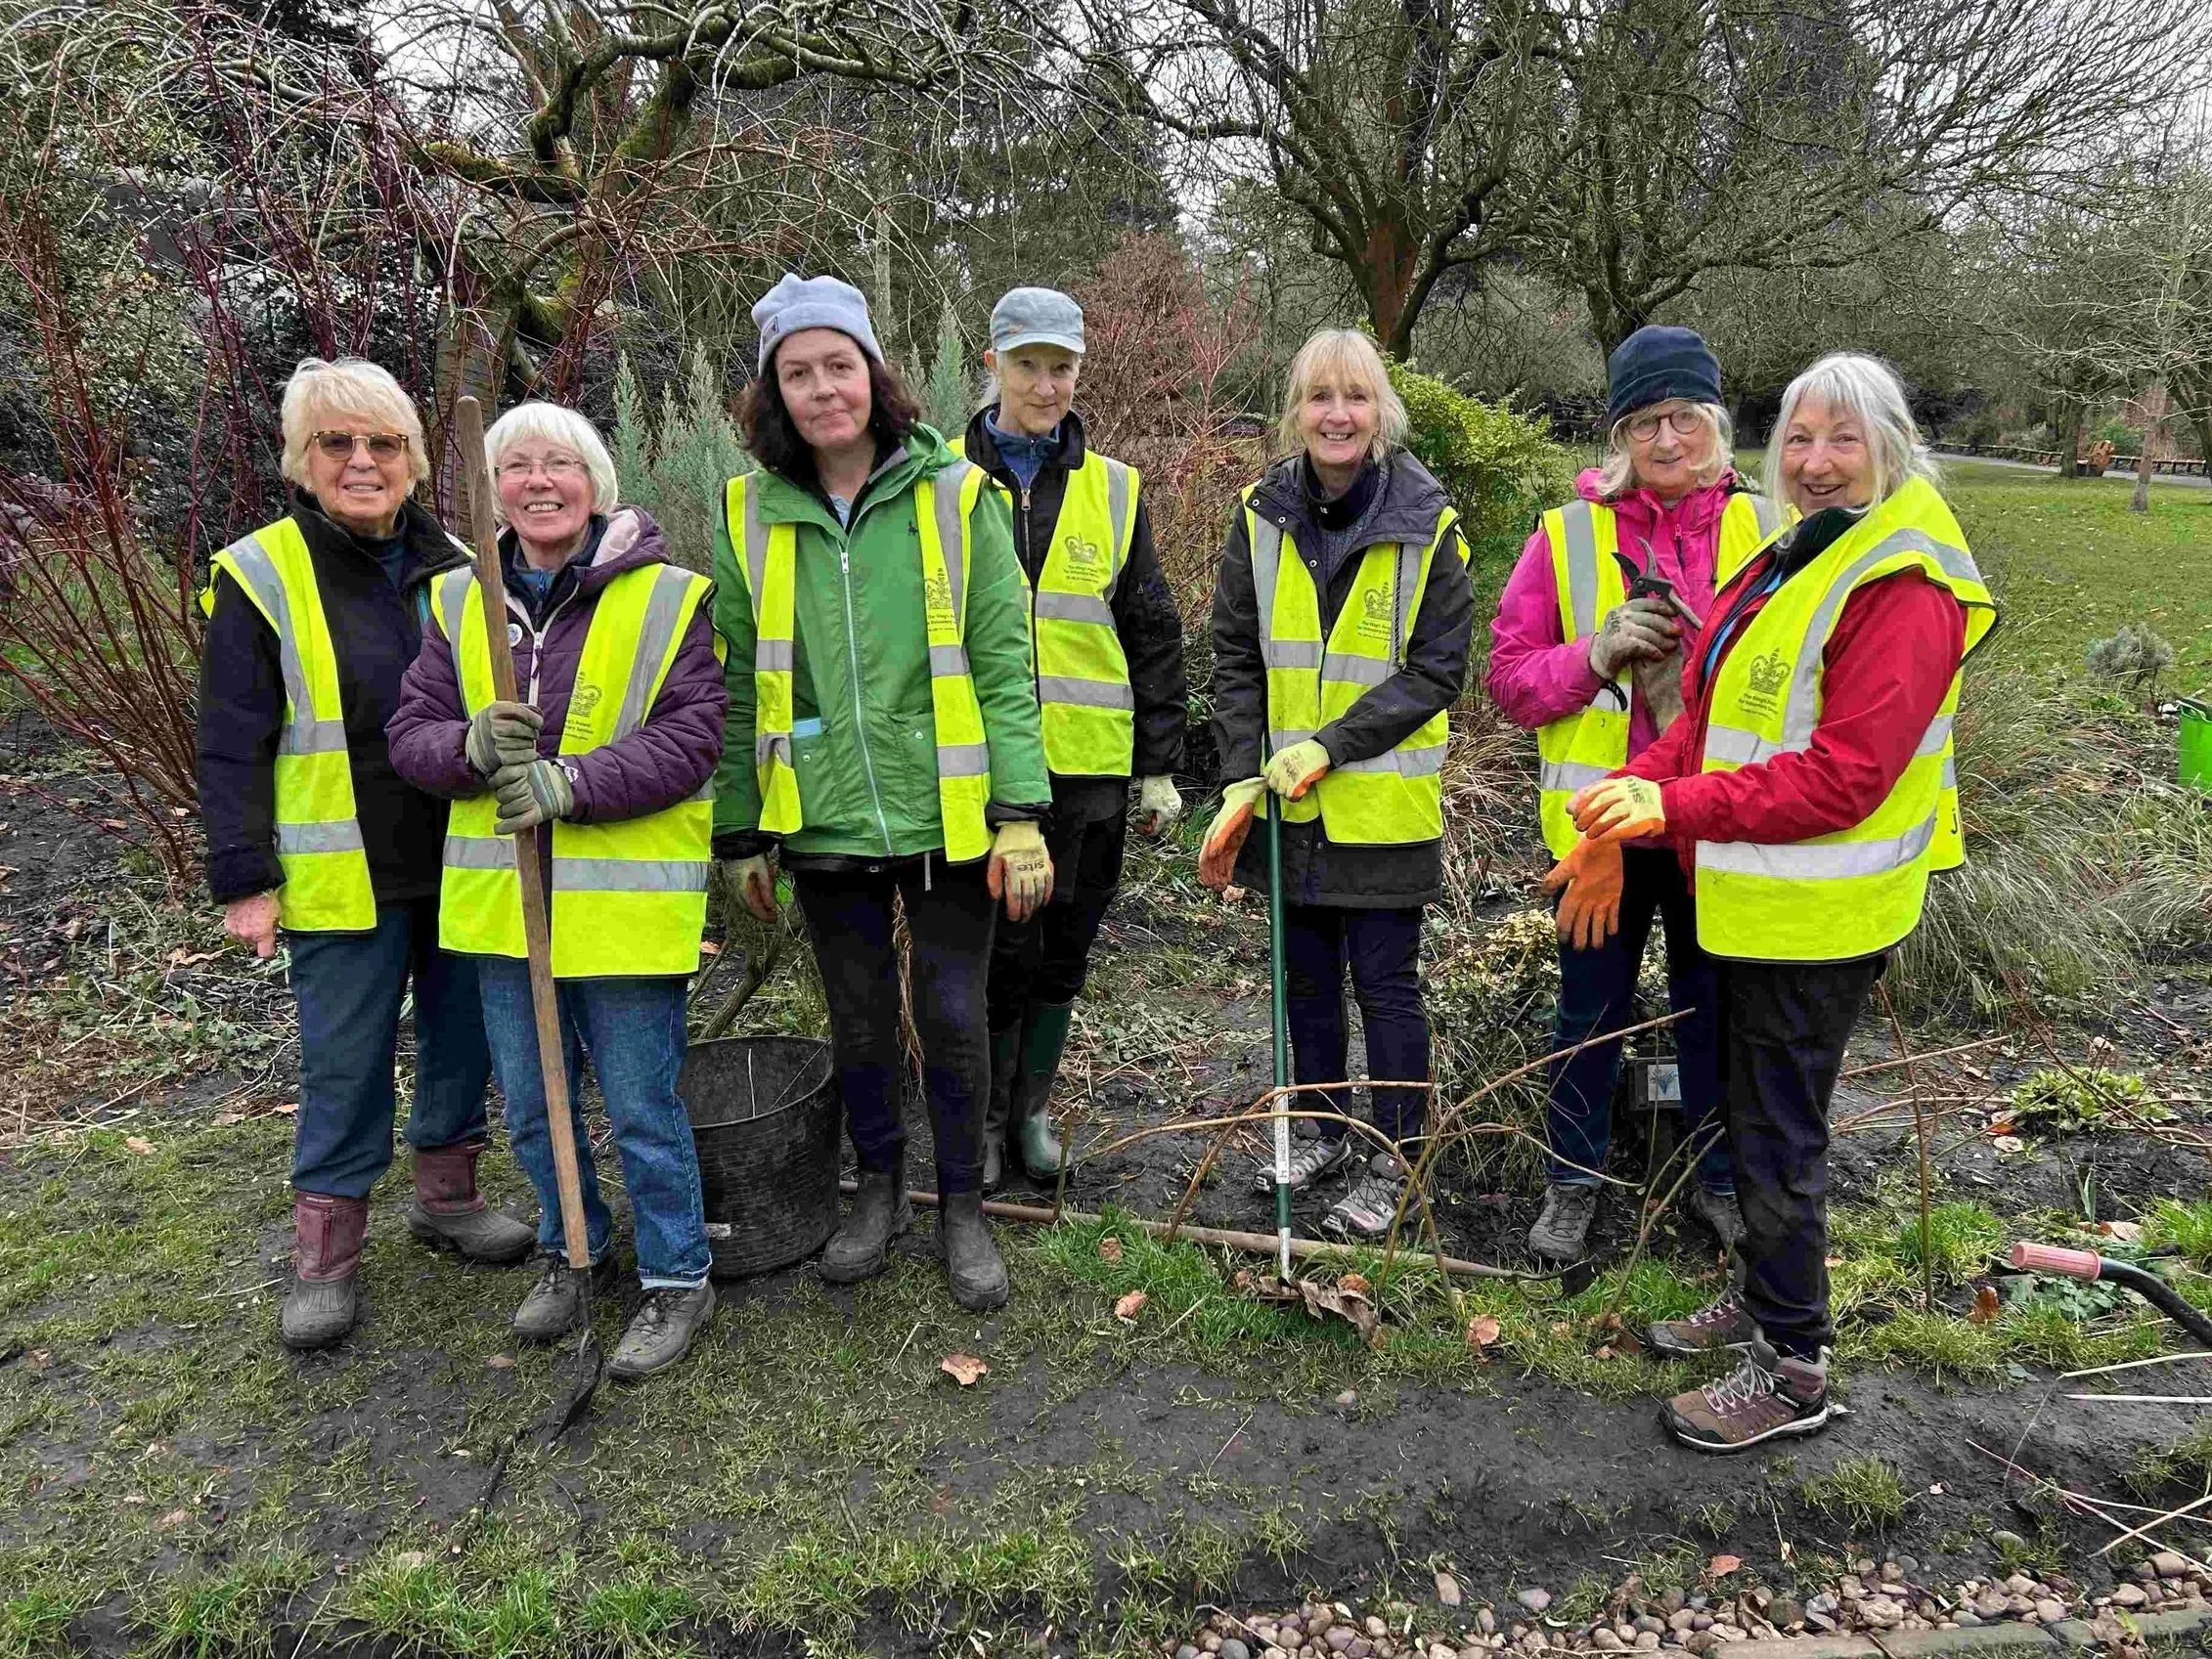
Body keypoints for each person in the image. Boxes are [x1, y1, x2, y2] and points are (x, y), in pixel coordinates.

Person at [1551, 352, 1996, 1450]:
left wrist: (1673, 810)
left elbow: (1849, 773)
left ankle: (1794, 1367)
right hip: (1762, 903)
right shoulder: (1804, 553)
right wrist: (1645, 778)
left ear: (1892, 445)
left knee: (1780, 1135)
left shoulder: (1904, 582)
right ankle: (1762, 1300)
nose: (1817, 461)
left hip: (1823, 916)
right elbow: (1716, 711)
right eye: (1798, 439)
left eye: (1844, 438)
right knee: (1750, 1119)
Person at [710, 274, 1052, 1312]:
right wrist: (740, 831)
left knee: (950, 1013)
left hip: (945, 813)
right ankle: (874, 1191)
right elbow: (737, 680)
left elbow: (1004, 660)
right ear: (774, 393)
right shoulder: (749, 512)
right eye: (799, 373)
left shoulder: (957, 497)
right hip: (819, 812)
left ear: (874, 372)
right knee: (856, 1015)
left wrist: (1022, 811)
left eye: (839, 365)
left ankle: (959, 1205)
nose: (824, 389)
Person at [197, 357, 534, 1352]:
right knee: (345, 1058)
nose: (361, 460)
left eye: (383, 443)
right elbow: (229, 736)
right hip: (342, 864)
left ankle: (448, 1192)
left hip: (463, 849)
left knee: (461, 1031)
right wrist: (245, 875)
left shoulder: (467, 562)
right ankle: (326, 1253)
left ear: (415, 460)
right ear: (302, 460)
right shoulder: (260, 573)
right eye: (336, 443)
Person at [387, 401, 725, 1381]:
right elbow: (411, 735)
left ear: (596, 482)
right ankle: (572, 1247)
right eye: (517, 466)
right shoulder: (458, 602)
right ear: (495, 489)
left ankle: (675, 1275)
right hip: (505, 912)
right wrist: (465, 746)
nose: (539, 481)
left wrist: (566, 782)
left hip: (622, 912)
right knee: (535, 1105)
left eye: (560, 464)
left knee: (639, 1103)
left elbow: (692, 735)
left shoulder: (667, 596)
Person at [1488, 325, 1791, 1266]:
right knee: (1588, 1014)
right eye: (1642, 423)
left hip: (1718, 827)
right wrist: (1595, 651)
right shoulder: (1566, 535)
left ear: (1716, 424)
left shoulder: (1771, 531)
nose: (1664, 441)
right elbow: (1508, 680)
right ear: (1616, 438)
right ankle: (1570, 1186)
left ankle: (1715, 1179)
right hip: (1599, 836)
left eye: (1683, 418)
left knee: (1719, 1015)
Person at [1199, 327, 1474, 1240]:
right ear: (1297, 410)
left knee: (1387, 992)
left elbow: (1437, 670)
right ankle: (1320, 1128)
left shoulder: (1428, 519)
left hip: (1383, 811)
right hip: (1288, 809)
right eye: (1320, 396)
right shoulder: (1259, 511)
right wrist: (1244, 775)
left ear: (1381, 410)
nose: (1338, 414)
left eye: (1355, 396)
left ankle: (1397, 1155)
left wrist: (1330, 743)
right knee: (1305, 985)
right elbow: (1235, 655)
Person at [955, 286, 1188, 1190]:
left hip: (1090, 767)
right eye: (1028, 367)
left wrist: (1160, 766)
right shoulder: (942, 476)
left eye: (1062, 369)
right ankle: (977, 1113)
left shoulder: (1116, 487)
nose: (1046, 386)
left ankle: (1030, 1111)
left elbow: (1152, 628)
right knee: (989, 949)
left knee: (1064, 944)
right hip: (979, 767)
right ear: (993, 367)